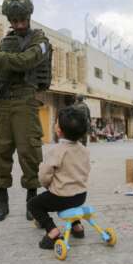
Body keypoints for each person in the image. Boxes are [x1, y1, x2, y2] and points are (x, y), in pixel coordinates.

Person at [0, 0, 52, 222]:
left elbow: (25, 61)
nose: (18, 25)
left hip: (26, 99)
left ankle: (31, 202)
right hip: (4, 101)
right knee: (2, 152)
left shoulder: (40, 41)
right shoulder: (7, 41)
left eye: (21, 20)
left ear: (29, 16)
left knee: (29, 151)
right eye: (14, 21)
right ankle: (2, 202)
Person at [27, 106, 90, 249]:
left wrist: (48, 185)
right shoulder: (84, 150)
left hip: (62, 196)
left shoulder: (56, 151)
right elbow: (86, 171)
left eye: (56, 122)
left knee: (33, 204)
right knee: (69, 202)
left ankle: (53, 231)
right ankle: (77, 227)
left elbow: (44, 175)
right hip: (81, 195)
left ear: (58, 130)